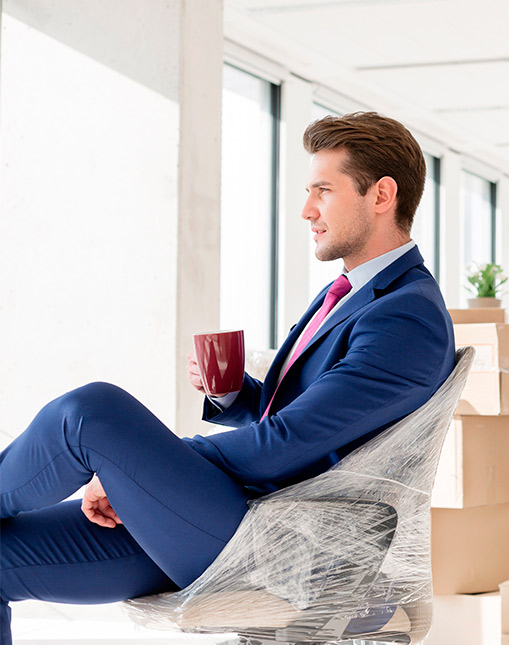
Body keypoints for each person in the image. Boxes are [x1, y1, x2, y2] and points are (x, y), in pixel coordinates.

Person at [0, 112, 455, 645]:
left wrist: (132, 470)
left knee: (91, 413)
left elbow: (285, 445)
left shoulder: (405, 315)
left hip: (275, 545)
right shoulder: (359, 295)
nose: (307, 210)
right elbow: (314, 425)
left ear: (381, 195)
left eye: (323, 191)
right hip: (235, 520)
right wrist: (238, 395)